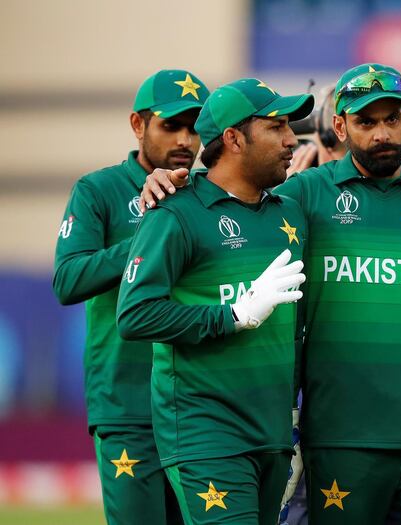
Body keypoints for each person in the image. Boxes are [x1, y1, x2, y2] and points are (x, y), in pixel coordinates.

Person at [139, 62, 401, 524]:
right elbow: (232, 196)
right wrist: (164, 182)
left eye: (392, 119)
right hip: (339, 439)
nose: (381, 133)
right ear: (341, 127)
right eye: (366, 122)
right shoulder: (303, 195)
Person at [116, 78, 314, 524]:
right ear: (233, 138)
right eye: (277, 126)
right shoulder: (175, 211)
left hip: (274, 436)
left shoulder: (290, 211)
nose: (291, 139)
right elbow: (134, 314)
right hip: (205, 436)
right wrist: (234, 315)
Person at [53, 69, 210, 525]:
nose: (185, 139)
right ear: (138, 125)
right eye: (170, 125)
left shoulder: (208, 196)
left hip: (197, 403)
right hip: (128, 403)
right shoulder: (97, 191)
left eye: (195, 126)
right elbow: (68, 280)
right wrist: (151, 236)